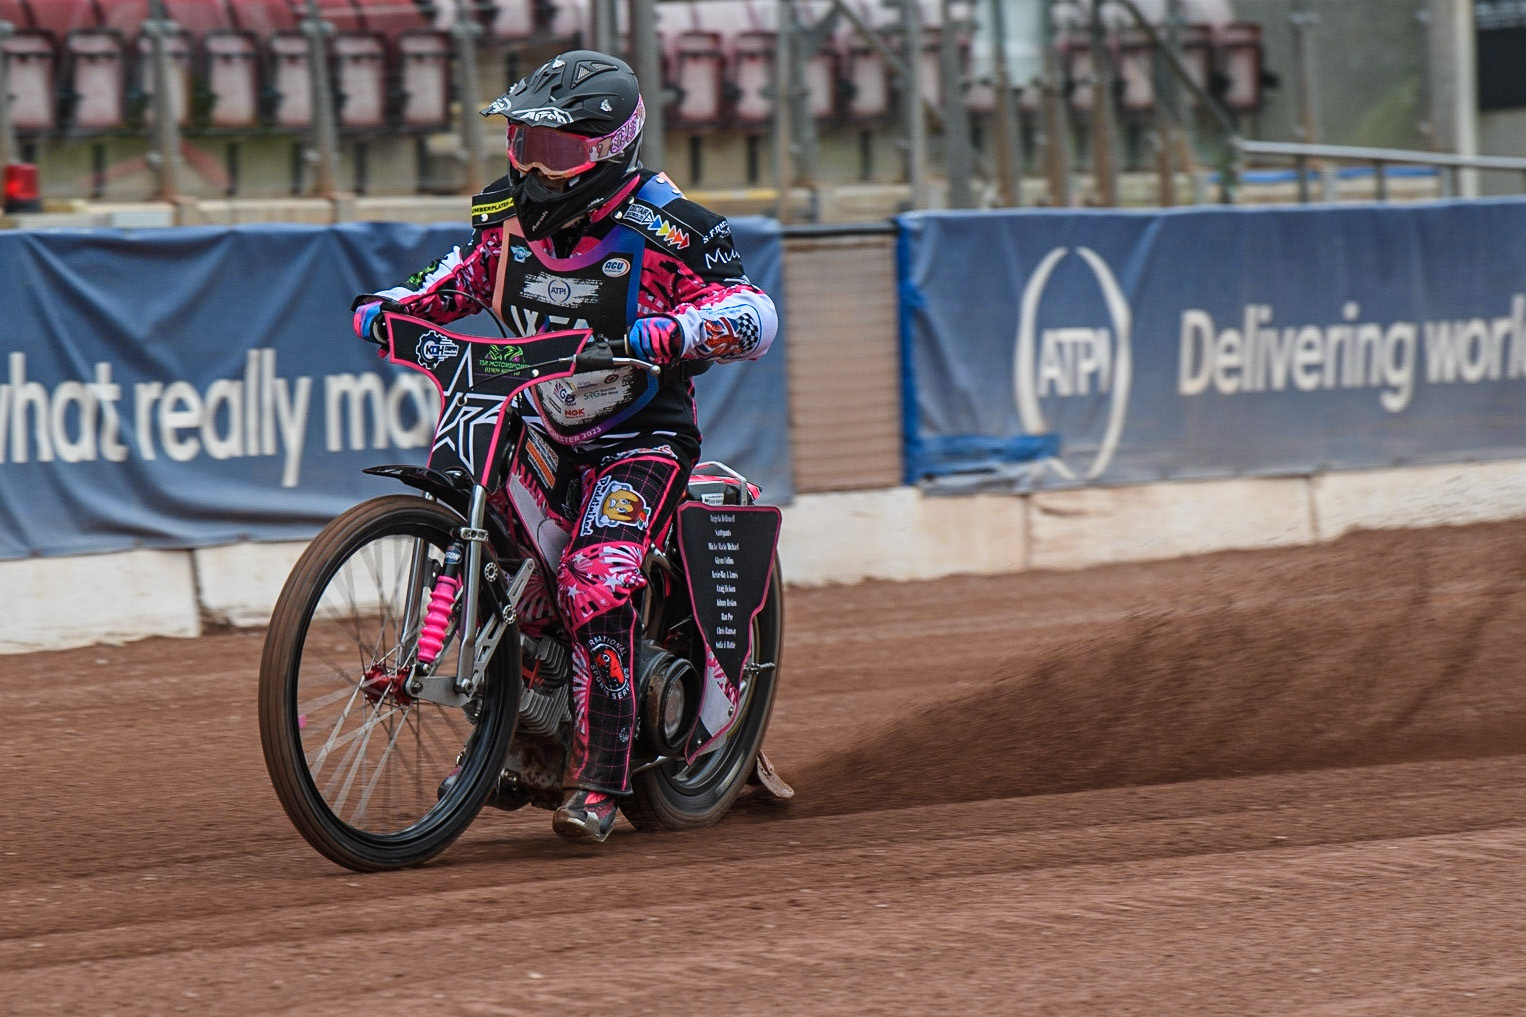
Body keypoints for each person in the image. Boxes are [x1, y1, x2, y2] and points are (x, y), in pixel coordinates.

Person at [350, 51, 777, 844]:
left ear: (611, 149)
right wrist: (385, 309)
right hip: (542, 424)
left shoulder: (669, 225)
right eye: (522, 147)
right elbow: (446, 283)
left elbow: (753, 313)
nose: (536, 171)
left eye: (557, 152)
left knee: (594, 574)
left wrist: (671, 329)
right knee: (501, 561)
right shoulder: (503, 226)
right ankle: (506, 739)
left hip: (641, 436)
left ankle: (602, 776)